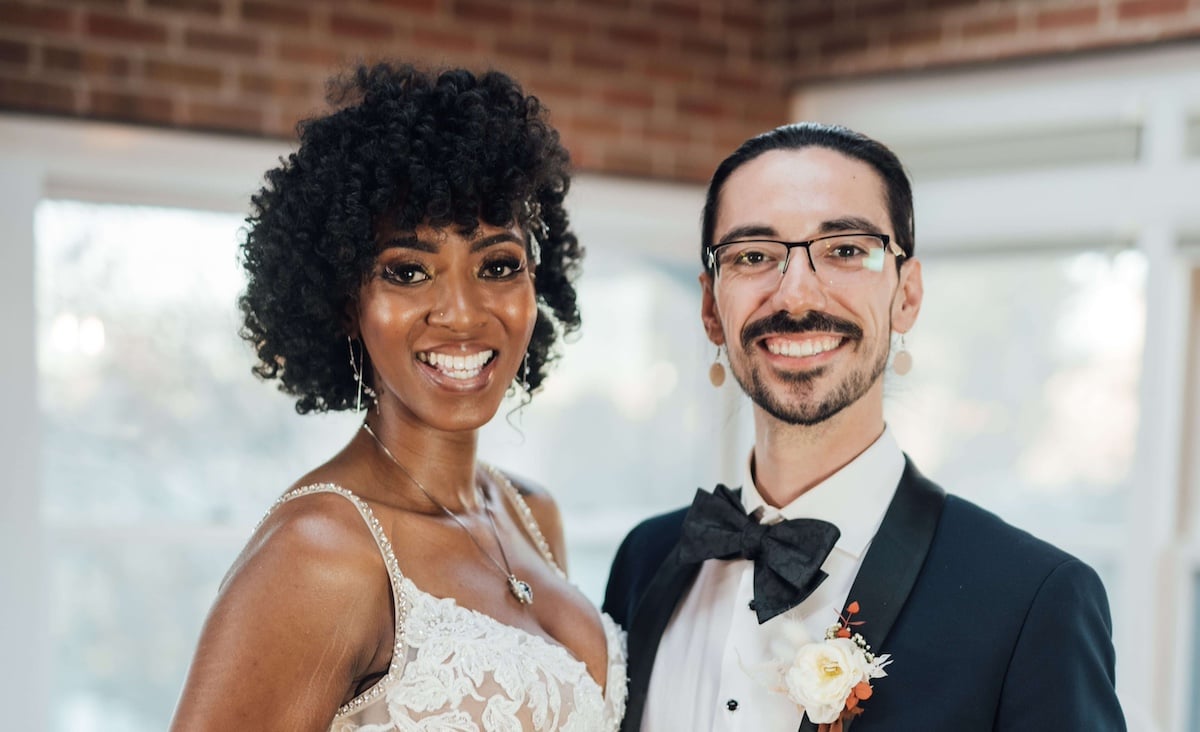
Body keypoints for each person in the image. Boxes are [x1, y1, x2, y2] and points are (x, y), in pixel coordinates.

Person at [603, 123, 1125, 731]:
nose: (795, 297)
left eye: (846, 250)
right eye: (753, 256)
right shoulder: (645, 561)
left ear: (907, 295)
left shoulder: (1033, 601)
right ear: (709, 307)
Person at [171, 62, 626, 732]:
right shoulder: (319, 555)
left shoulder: (531, 514)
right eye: (408, 272)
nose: (462, 314)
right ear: (343, 303)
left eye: (498, 265)